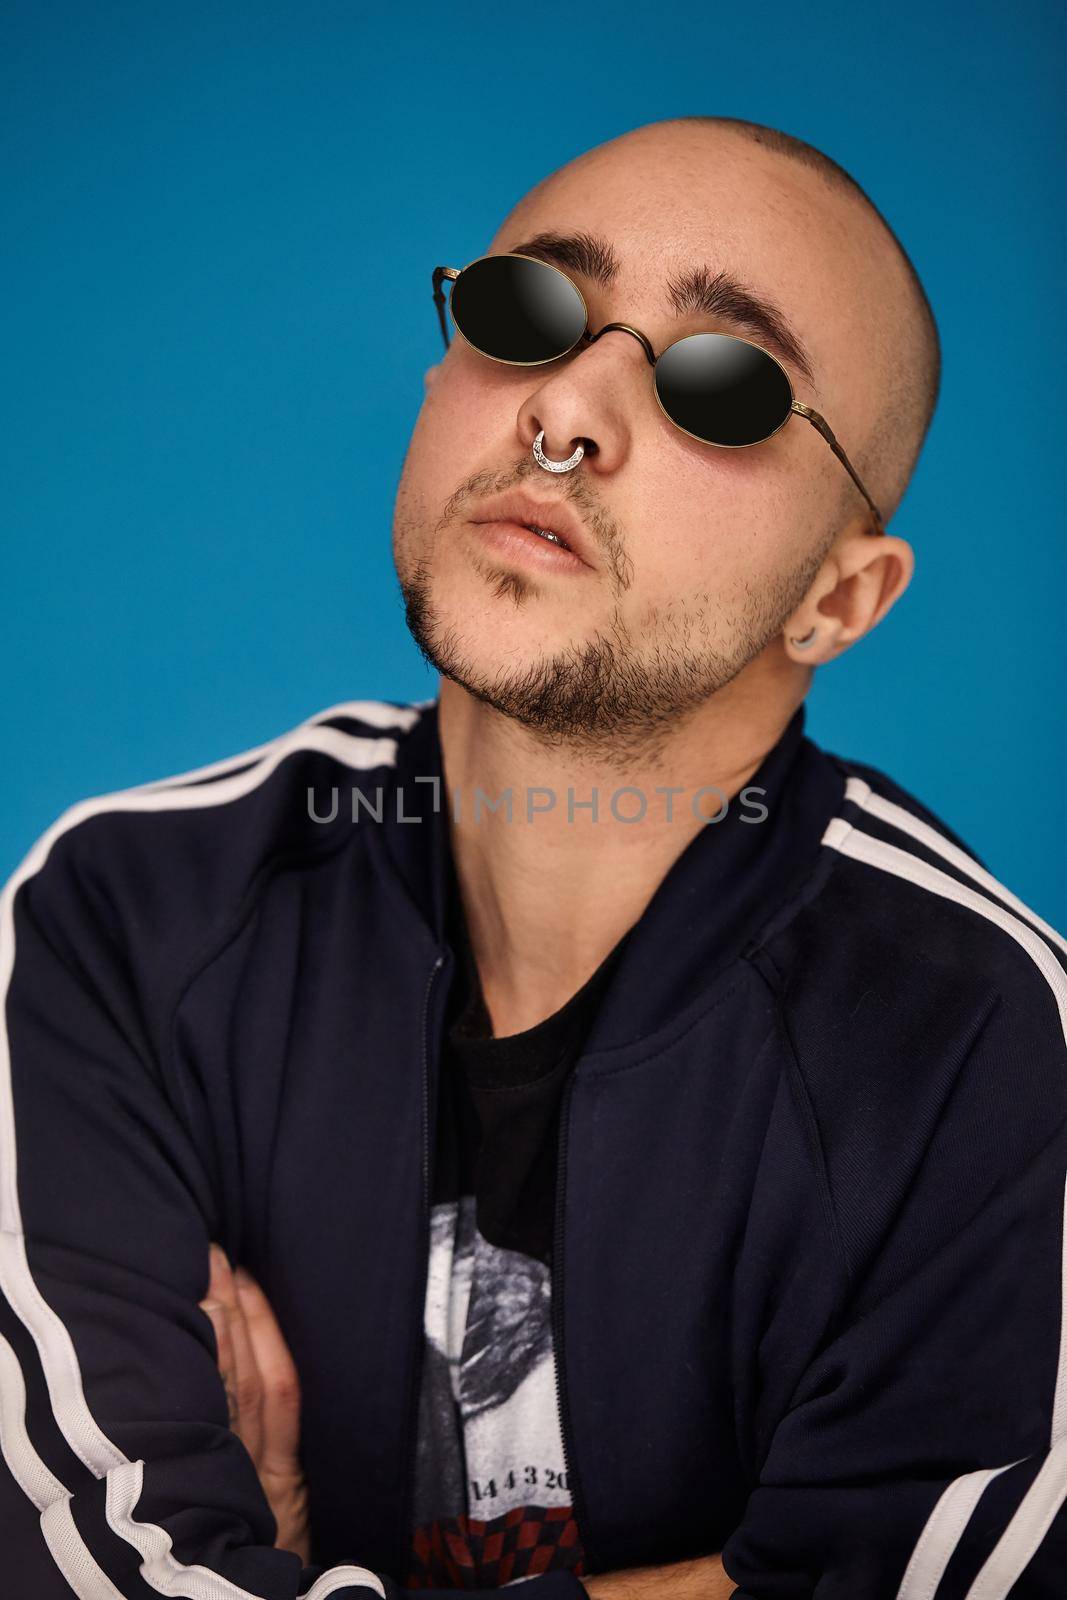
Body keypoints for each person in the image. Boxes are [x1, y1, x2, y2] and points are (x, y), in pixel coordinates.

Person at [1, 113, 1065, 1600]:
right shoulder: (120, 923)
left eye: (723, 383)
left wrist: (280, 1561)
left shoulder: (987, 1045)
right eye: (528, 309)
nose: (566, 408)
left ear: (838, 597)